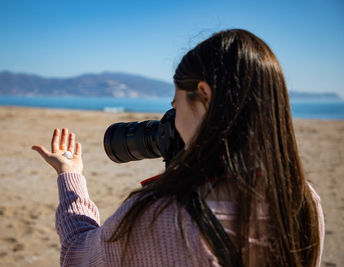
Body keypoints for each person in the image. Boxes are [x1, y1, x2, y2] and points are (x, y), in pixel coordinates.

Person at [32, 29, 324, 266]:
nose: (172, 118)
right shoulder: (303, 202)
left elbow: (78, 255)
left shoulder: (159, 215)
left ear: (204, 96)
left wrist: (69, 176)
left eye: (176, 104)